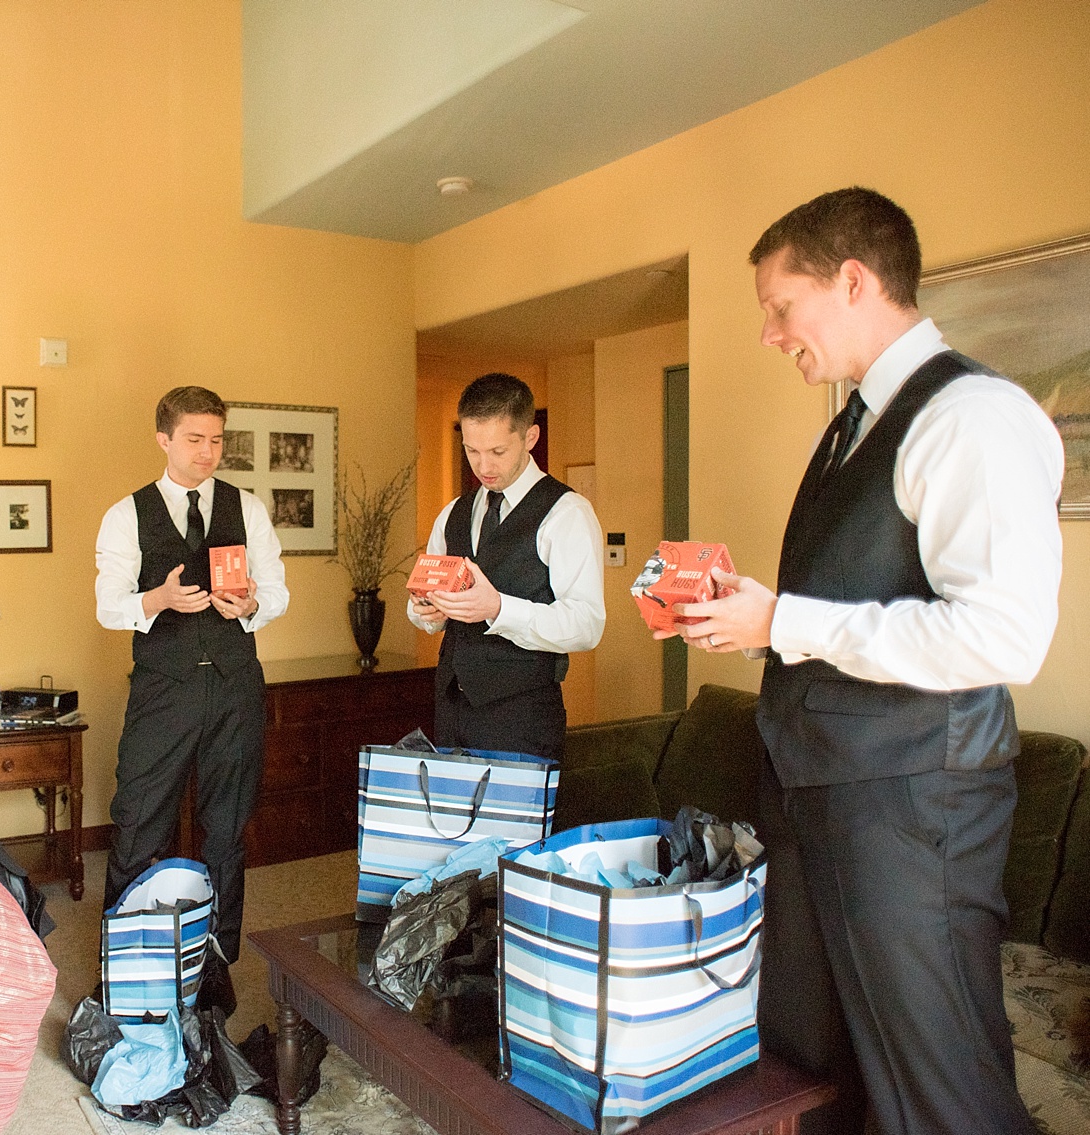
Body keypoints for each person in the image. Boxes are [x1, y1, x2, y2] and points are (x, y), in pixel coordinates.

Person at [667, 187, 1063, 1135]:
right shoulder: (851, 422)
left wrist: (787, 622)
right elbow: (856, 597)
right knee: (823, 1064)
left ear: (851, 281)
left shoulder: (973, 416)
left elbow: (1004, 634)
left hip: (912, 812)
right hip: (824, 796)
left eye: (778, 305)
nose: (768, 333)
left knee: (941, 1084)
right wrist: (757, 615)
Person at [94, 386, 288, 1009]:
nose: (209, 452)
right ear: (165, 439)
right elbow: (108, 605)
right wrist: (159, 600)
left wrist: (251, 603)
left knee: (227, 830)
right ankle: (120, 963)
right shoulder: (127, 514)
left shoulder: (247, 509)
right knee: (137, 822)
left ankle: (215, 967)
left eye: (217, 440)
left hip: (235, 687)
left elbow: (278, 592)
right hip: (164, 691)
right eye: (195, 439)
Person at [409, 373, 604, 760]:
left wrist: (499, 609)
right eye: (471, 451)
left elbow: (587, 624)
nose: (483, 465)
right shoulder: (453, 514)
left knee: (517, 823)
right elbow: (423, 614)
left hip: (523, 719)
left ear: (530, 438)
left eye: (497, 451)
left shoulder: (567, 513)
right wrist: (427, 612)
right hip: (450, 711)